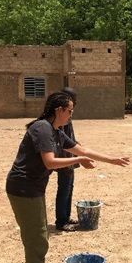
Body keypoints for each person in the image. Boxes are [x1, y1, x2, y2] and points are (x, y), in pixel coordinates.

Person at [6, 91, 130, 263]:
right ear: (59, 110)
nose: (71, 115)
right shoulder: (42, 129)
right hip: (23, 189)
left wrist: (112, 159)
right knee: (36, 238)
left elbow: (82, 150)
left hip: (33, 188)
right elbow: (50, 162)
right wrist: (78, 160)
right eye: (70, 111)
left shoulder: (55, 130)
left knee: (40, 234)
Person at [55, 87, 80, 232]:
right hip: (64, 159)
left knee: (69, 188)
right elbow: (62, 140)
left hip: (69, 159)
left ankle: (66, 216)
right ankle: (61, 221)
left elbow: (69, 138)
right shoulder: (62, 116)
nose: (75, 102)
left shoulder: (67, 115)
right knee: (64, 189)